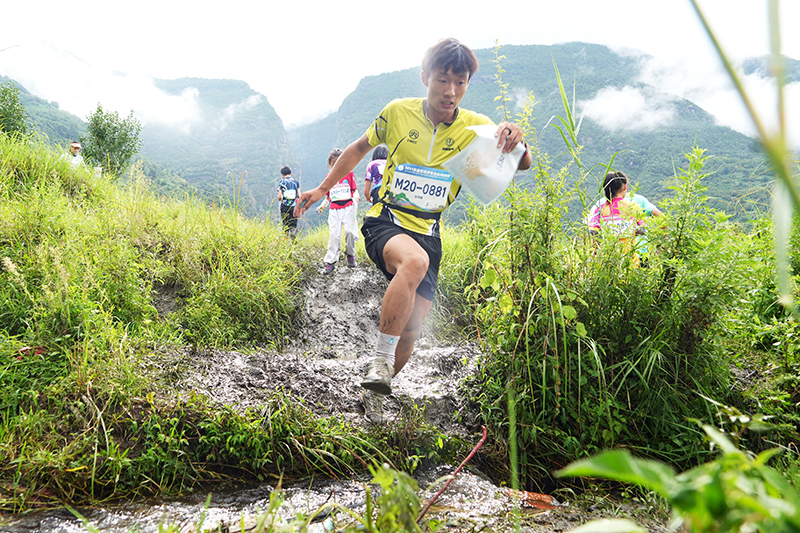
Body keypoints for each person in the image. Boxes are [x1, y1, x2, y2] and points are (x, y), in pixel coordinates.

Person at [295, 38, 532, 424]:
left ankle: (373, 394)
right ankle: (380, 361)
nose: (450, 91)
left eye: (460, 82)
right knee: (413, 261)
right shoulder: (398, 113)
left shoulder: (477, 128)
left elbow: (522, 164)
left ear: (468, 85)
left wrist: (514, 137)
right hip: (386, 221)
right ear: (426, 77)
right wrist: (323, 189)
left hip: (430, 233)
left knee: (412, 330)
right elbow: (357, 148)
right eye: (443, 79)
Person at [316, 149, 359, 274]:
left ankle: (350, 254)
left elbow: (354, 189)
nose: (336, 165)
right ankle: (330, 262)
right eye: (333, 163)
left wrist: (356, 197)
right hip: (335, 209)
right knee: (334, 235)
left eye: (339, 162)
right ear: (330, 163)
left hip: (348, 207)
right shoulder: (328, 178)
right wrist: (322, 206)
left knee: (350, 232)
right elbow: (328, 196)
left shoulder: (349, 174)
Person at [277, 166, 301, 238]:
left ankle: (286, 239)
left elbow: (279, 197)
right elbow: (299, 195)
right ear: (291, 173)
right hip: (294, 206)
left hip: (284, 206)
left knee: (285, 224)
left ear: (282, 174)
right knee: (293, 223)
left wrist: (280, 199)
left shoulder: (281, 183)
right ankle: (293, 233)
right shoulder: (296, 182)